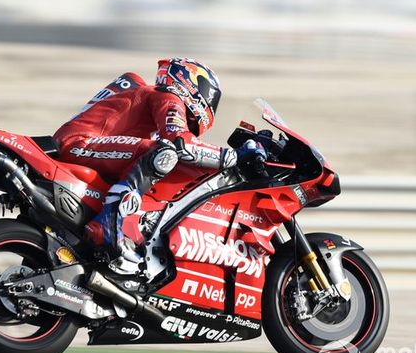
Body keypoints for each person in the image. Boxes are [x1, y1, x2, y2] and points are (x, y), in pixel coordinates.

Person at [53, 58, 264, 272]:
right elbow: (181, 143)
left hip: (81, 144)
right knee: (163, 152)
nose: (210, 103)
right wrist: (235, 156)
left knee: (160, 152)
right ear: (189, 81)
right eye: (209, 95)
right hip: (80, 143)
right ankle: (108, 222)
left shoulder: (148, 95)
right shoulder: (168, 96)